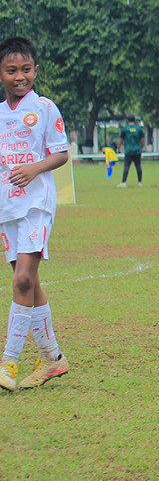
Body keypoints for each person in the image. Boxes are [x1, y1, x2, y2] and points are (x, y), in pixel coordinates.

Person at [0, 37, 70, 390]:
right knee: (29, 282)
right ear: (1, 73)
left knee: (22, 280)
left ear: (36, 71)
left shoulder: (44, 108)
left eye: (25, 69)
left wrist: (34, 169)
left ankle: (7, 364)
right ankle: (52, 359)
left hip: (36, 205)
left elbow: (61, 154)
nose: (19, 76)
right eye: (11, 70)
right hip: (6, 209)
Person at [117, 114, 144, 187]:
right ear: (135, 120)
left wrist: (118, 147)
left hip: (128, 150)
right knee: (138, 166)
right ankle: (140, 182)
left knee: (126, 166)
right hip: (137, 150)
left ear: (127, 120)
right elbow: (142, 139)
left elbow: (121, 139)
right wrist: (142, 147)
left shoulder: (125, 129)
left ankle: (123, 182)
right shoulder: (139, 129)